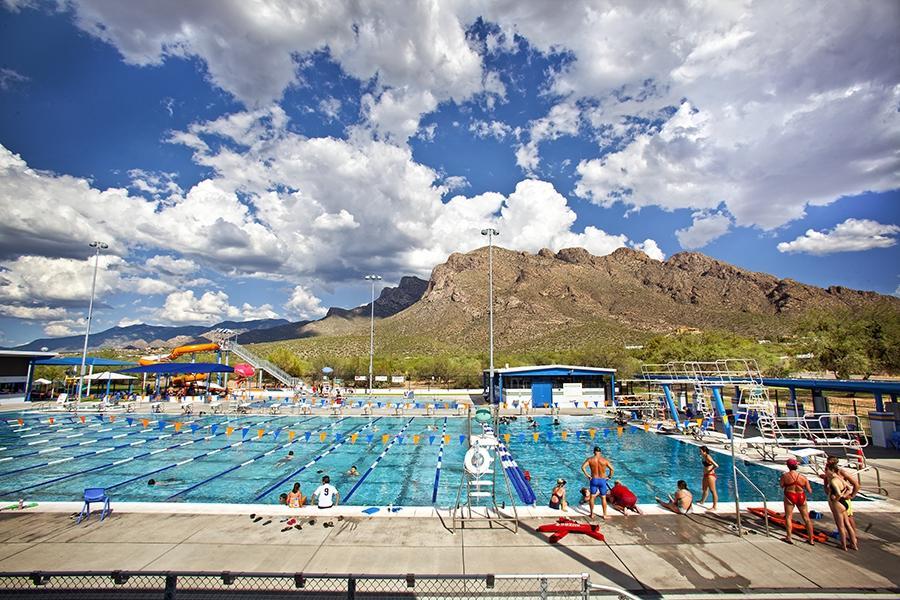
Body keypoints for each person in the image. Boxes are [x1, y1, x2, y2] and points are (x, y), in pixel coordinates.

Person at [780, 458, 814, 545]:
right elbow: (810, 490)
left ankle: (789, 537)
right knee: (806, 518)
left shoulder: (785, 476)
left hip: (789, 495)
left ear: (788, 466)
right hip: (801, 496)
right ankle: (811, 539)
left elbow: (781, 486)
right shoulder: (803, 477)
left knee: (788, 517)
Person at [825, 455, 859, 541]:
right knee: (845, 521)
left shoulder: (841, 472)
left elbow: (856, 484)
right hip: (837, 499)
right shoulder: (828, 473)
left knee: (847, 520)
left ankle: (853, 538)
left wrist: (851, 495)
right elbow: (826, 486)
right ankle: (852, 539)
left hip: (841, 499)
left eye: (827, 462)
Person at [581, 446, 614, 519]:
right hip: (602, 480)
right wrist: (609, 477)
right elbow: (612, 469)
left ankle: (592, 514)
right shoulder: (604, 460)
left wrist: (588, 476)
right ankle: (605, 515)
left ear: (594, 452)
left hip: (594, 480)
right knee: (603, 497)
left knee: (592, 497)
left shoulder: (590, 459)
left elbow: (583, 467)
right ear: (600, 452)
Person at [698, 445, 718, 510]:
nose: (699, 451)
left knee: (713, 491)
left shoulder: (708, 456)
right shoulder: (703, 456)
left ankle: (714, 507)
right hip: (706, 475)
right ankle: (702, 501)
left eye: (700, 450)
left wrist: (709, 471)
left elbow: (716, 465)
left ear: (704, 451)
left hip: (710, 475)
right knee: (704, 489)